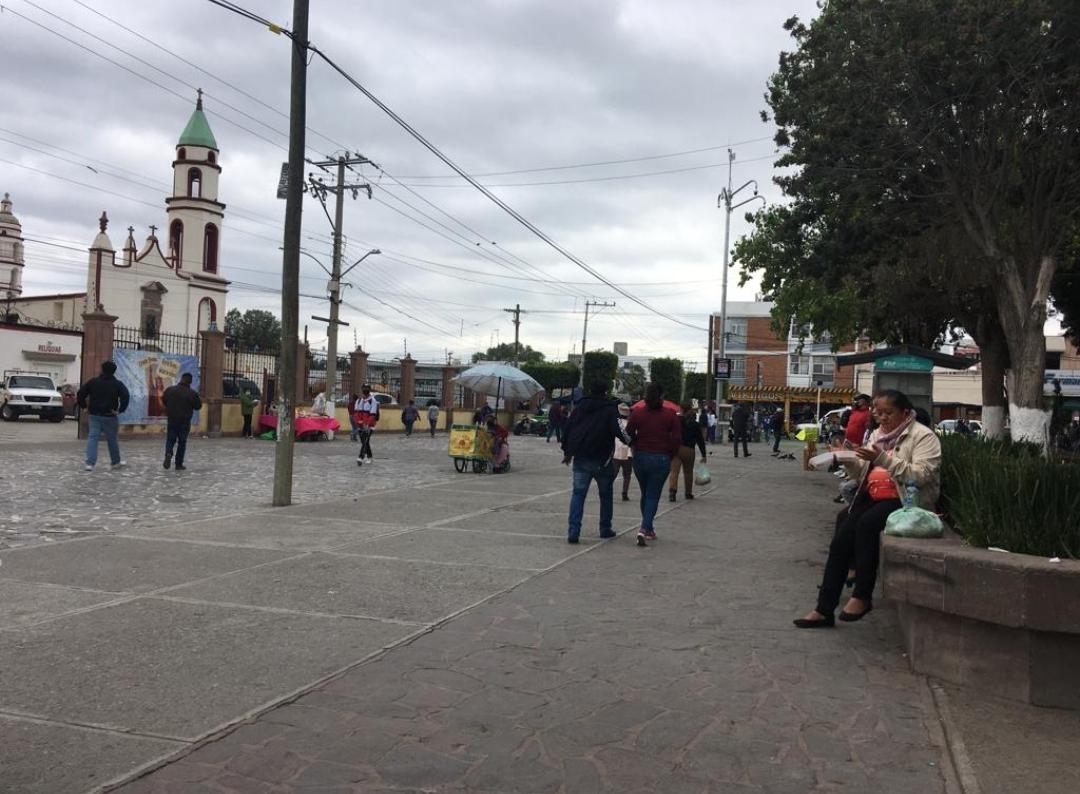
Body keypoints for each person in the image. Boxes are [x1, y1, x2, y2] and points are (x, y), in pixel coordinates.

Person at [795, 389, 942, 628]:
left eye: (888, 413)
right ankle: (824, 608)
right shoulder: (876, 434)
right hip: (873, 494)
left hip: (905, 498)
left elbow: (922, 475)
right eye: (878, 412)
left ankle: (862, 595)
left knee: (867, 524)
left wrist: (883, 459)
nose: (881, 418)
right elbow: (863, 472)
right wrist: (847, 459)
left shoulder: (923, 436)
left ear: (905, 413)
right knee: (842, 533)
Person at [559, 381, 630, 543]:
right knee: (606, 495)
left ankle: (573, 531)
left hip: (581, 458)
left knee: (578, 494)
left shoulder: (579, 408)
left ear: (590, 390)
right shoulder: (610, 409)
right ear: (606, 392)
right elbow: (619, 431)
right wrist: (632, 441)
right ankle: (605, 528)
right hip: (602, 459)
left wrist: (567, 451)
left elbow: (568, 429)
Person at [626, 382, 681, 547]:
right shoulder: (671, 415)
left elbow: (627, 434)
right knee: (652, 495)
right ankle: (644, 528)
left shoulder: (637, 413)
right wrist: (669, 453)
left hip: (641, 457)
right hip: (661, 458)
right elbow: (677, 439)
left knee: (645, 493)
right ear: (662, 396)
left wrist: (635, 445)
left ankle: (648, 528)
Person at [77, 360, 130, 471]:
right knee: (112, 439)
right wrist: (120, 410)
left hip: (94, 415)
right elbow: (126, 396)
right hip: (110, 415)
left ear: (102, 369)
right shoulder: (117, 384)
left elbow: (81, 393)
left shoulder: (93, 382)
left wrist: (84, 407)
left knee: (92, 438)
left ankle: (90, 463)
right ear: (114, 371)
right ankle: (115, 462)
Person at [162, 372, 202, 470]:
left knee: (170, 439)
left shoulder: (170, 390)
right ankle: (178, 464)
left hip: (172, 419)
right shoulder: (192, 393)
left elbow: (164, 400)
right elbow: (198, 406)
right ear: (190, 382)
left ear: (181, 379)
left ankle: (168, 453)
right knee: (182, 442)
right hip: (184, 421)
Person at [669, 402, 707, 502]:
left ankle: (672, 492)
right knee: (688, 472)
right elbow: (700, 441)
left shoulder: (676, 421)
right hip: (689, 450)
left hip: (676, 449)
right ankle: (688, 493)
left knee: (674, 472)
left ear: (681, 409)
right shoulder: (695, 424)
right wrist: (704, 454)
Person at [354, 386, 380, 466]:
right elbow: (356, 413)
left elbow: (372, 415)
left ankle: (360, 457)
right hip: (360, 425)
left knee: (365, 440)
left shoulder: (373, 401)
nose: (364, 394)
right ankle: (369, 456)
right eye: (364, 391)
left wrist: (367, 424)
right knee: (365, 442)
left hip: (369, 425)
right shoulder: (358, 401)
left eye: (366, 392)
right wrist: (359, 422)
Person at [613, 403, 634, 501]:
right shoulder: (631, 424)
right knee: (627, 474)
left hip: (616, 452)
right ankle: (625, 492)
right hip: (628, 452)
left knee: (613, 473)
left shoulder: (615, 423)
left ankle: (608, 488)